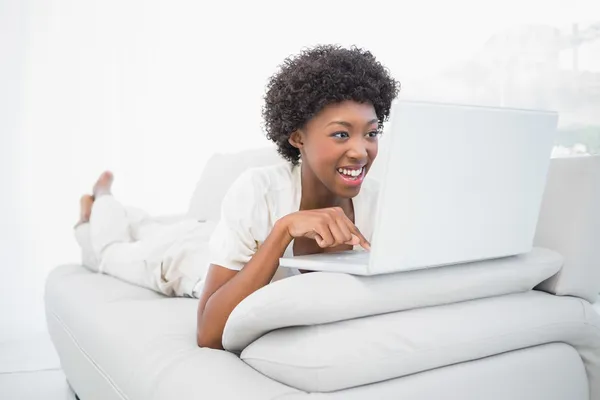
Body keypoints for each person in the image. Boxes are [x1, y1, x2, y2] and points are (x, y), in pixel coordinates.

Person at [196, 45, 400, 349]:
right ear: (297, 137)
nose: (360, 151)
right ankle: (103, 202)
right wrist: (283, 230)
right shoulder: (257, 192)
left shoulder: (383, 205)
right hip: (192, 263)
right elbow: (208, 334)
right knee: (142, 252)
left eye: (370, 133)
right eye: (341, 134)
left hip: (226, 237)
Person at [74, 171, 216, 298]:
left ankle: (99, 205)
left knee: (144, 229)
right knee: (110, 251)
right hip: (184, 254)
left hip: (203, 236)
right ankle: (101, 197)